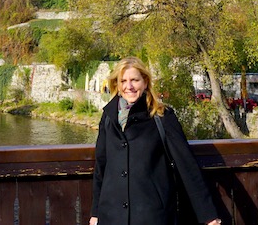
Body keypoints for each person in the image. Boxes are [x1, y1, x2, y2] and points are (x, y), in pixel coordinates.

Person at [90, 57, 221, 225]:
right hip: (111, 216)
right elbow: (101, 166)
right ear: (117, 84)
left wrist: (208, 215)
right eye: (123, 81)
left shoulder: (162, 116)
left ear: (145, 82)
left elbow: (186, 165)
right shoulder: (108, 117)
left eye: (134, 80)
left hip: (152, 216)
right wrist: (96, 213)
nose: (128, 86)